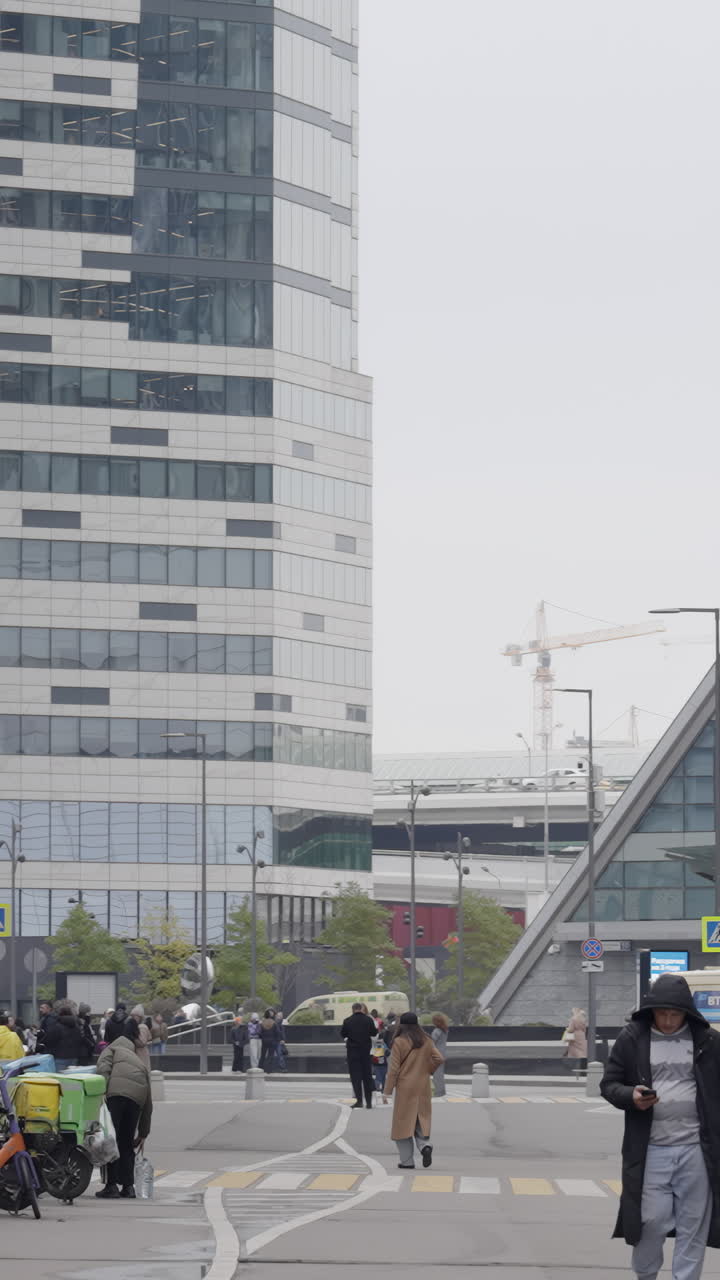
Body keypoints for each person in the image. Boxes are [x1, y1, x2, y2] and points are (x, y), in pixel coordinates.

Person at [600, 972, 720, 1280]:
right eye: (662, 1013)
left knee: (694, 1223)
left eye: (675, 1013)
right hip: (652, 1148)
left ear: (687, 1013)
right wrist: (631, 1095)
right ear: (651, 1010)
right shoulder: (632, 1038)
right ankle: (646, 1274)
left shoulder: (708, 1040)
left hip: (697, 1149)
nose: (668, 1020)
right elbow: (609, 1084)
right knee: (651, 1220)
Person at [95, 1027, 152, 1199]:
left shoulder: (111, 1050)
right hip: (136, 1100)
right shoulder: (138, 1061)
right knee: (126, 1143)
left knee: (111, 1140)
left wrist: (101, 1095)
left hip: (115, 1096)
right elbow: (148, 1103)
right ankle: (128, 1187)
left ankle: (111, 1185)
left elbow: (102, 1071)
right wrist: (143, 1133)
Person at [383, 1011, 444, 1169]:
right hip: (422, 1085)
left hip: (405, 1086)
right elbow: (439, 1058)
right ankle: (425, 1146)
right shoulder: (427, 1040)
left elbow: (394, 1069)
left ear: (401, 1025)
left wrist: (387, 1091)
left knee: (402, 1124)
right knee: (419, 1119)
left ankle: (407, 1161)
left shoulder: (399, 1041)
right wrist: (426, 1070)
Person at [341, 1002, 377, 1109]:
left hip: (353, 1053)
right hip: (365, 1053)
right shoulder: (368, 1020)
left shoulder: (347, 1021)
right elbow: (374, 1033)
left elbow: (343, 1034)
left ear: (353, 1009)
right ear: (361, 1008)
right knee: (367, 1077)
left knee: (356, 1078)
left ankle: (359, 1101)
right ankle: (369, 1102)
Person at [44, 1004, 85, 1070]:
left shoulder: (56, 1026)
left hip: (59, 1056)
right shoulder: (77, 1026)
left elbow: (50, 1041)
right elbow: (80, 1040)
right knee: (72, 1078)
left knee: (60, 1078)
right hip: (74, 1056)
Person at [430, 1013, 450, 1098]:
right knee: (440, 1074)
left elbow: (431, 1043)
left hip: (436, 1055)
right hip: (443, 1053)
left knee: (437, 1075)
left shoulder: (436, 1031)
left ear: (436, 1021)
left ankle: (438, 1093)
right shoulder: (445, 1030)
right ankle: (442, 1091)